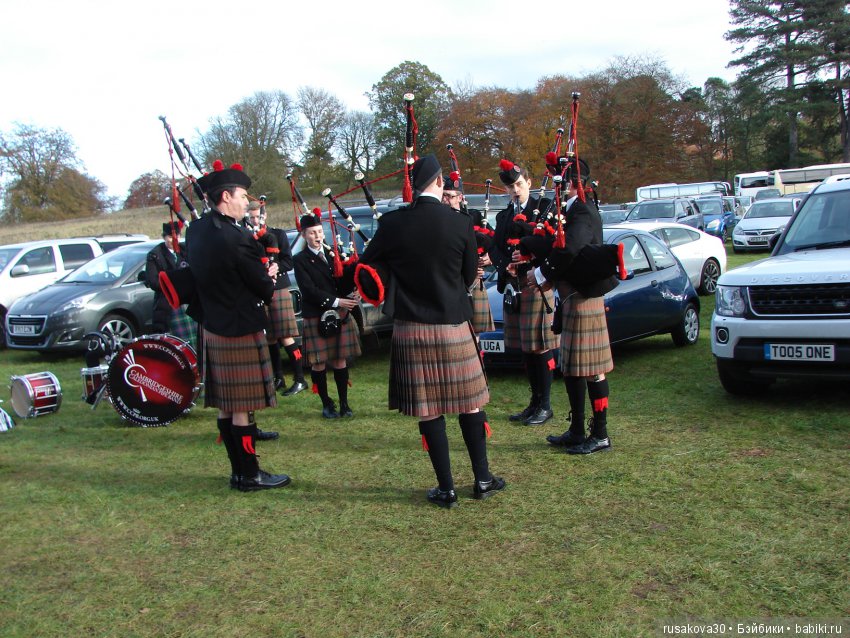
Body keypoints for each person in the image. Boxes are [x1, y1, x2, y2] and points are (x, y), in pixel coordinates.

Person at [358, 154, 505, 508]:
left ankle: (446, 488)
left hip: (412, 328)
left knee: (429, 409)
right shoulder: (460, 223)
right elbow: (470, 275)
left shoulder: (392, 224)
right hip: (454, 324)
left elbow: (368, 266)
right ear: (440, 182)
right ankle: (483, 479)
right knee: (470, 405)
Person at [186, 160, 291, 491]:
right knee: (242, 408)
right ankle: (251, 475)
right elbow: (262, 288)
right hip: (240, 328)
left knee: (225, 407)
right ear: (226, 197)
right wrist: (269, 275)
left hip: (212, 325)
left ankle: (237, 472)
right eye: (243, 196)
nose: (248, 202)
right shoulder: (236, 238)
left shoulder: (197, 230)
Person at [532, 159, 617, 454]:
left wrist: (541, 274)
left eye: (558, 179)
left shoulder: (581, 210)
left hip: (584, 298)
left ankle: (601, 434)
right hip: (572, 298)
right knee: (572, 369)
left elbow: (571, 249)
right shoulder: (570, 210)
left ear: (567, 184)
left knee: (592, 370)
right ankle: (578, 430)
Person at [488, 159, 558, 426]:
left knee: (540, 347)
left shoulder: (544, 210)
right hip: (513, 287)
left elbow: (552, 244)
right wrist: (505, 264)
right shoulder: (503, 217)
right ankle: (534, 402)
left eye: (518, 184)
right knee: (526, 350)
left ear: (528, 183)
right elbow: (494, 248)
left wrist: (530, 255)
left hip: (536, 286)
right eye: (510, 187)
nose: (515, 190)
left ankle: (546, 405)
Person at [292, 209, 361, 419]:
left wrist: (355, 288)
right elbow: (309, 290)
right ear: (304, 235)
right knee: (319, 362)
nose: (317, 236)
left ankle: (344, 404)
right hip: (317, 314)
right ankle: (326, 404)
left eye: (319, 232)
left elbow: (342, 280)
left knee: (340, 360)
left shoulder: (333, 254)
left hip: (338, 314)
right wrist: (339, 301)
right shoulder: (300, 259)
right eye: (312, 233)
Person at [245, 201, 308, 396]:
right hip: (259, 290)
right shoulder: (246, 237)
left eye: (258, 217)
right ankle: (278, 377)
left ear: (265, 215)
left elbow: (288, 261)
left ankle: (300, 379)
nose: (255, 221)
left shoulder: (278, 235)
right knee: (269, 337)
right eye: (251, 217)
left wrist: (277, 267)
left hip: (279, 289)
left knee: (286, 335)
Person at [442, 175, 494, 336]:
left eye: (450, 196)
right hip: (452, 282)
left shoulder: (474, 217)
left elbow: (495, 241)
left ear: (460, 197)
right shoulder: (438, 220)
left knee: (477, 335)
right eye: (443, 195)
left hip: (475, 283)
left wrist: (489, 258)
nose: (446, 200)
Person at [144, 221, 197, 344]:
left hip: (189, 303)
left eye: (176, 236)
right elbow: (153, 281)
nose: (173, 239)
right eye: (169, 236)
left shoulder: (185, 250)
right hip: (167, 304)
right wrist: (175, 284)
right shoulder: (154, 255)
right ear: (164, 237)